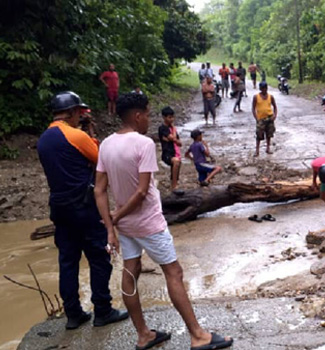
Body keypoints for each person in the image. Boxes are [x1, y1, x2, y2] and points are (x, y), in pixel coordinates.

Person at [94, 92, 233, 350]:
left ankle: (144, 335)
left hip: (125, 227)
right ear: (137, 116)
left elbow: (99, 190)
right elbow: (143, 191)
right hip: (148, 223)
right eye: (147, 114)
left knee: (130, 272)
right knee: (174, 272)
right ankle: (198, 336)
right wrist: (116, 217)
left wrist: (112, 223)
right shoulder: (144, 144)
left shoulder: (106, 144)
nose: (148, 119)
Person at [37, 91, 128, 330]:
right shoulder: (75, 135)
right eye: (80, 113)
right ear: (73, 112)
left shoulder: (43, 139)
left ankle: (73, 314)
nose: (82, 116)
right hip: (84, 206)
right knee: (99, 258)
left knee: (68, 261)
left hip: (59, 207)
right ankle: (103, 310)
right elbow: (100, 159)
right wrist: (90, 134)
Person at [158, 107, 182, 191]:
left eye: (172, 117)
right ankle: (174, 185)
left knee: (177, 163)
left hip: (174, 152)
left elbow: (179, 143)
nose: (172, 119)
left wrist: (173, 139)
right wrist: (174, 131)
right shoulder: (163, 128)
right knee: (176, 161)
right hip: (167, 153)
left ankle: (174, 182)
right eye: (169, 117)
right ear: (164, 117)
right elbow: (174, 138)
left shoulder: (170, 129)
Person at [252, 81, 277, 157]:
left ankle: (268, 148)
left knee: (269, 134)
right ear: (260, 88)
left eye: (265, 88)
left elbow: (275, 107)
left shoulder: (270, 97)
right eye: (262, 88)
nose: (264, 90)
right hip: (260, 119)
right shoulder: (256, 97)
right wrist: (256, 118)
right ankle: (257, 150)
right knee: (259, 134)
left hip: (269, 118)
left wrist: (274, 115)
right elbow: (253, 108)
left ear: (267, 88)